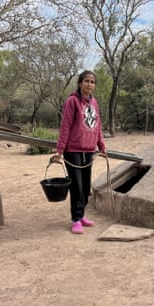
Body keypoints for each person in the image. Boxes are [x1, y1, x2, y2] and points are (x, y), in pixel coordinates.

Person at [52, 70, 106, 234]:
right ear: (80, 83)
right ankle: (75, 220)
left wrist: (101, 146)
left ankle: (82, 215)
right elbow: (66, 126)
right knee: (76, 186)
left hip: (89, 150)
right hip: (73, 150)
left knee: (85, 185)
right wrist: (60, 150)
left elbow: (97, 126)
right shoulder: (72, 101)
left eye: (92, 82)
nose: (90, 84)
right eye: (86, 81)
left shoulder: (94, 102)